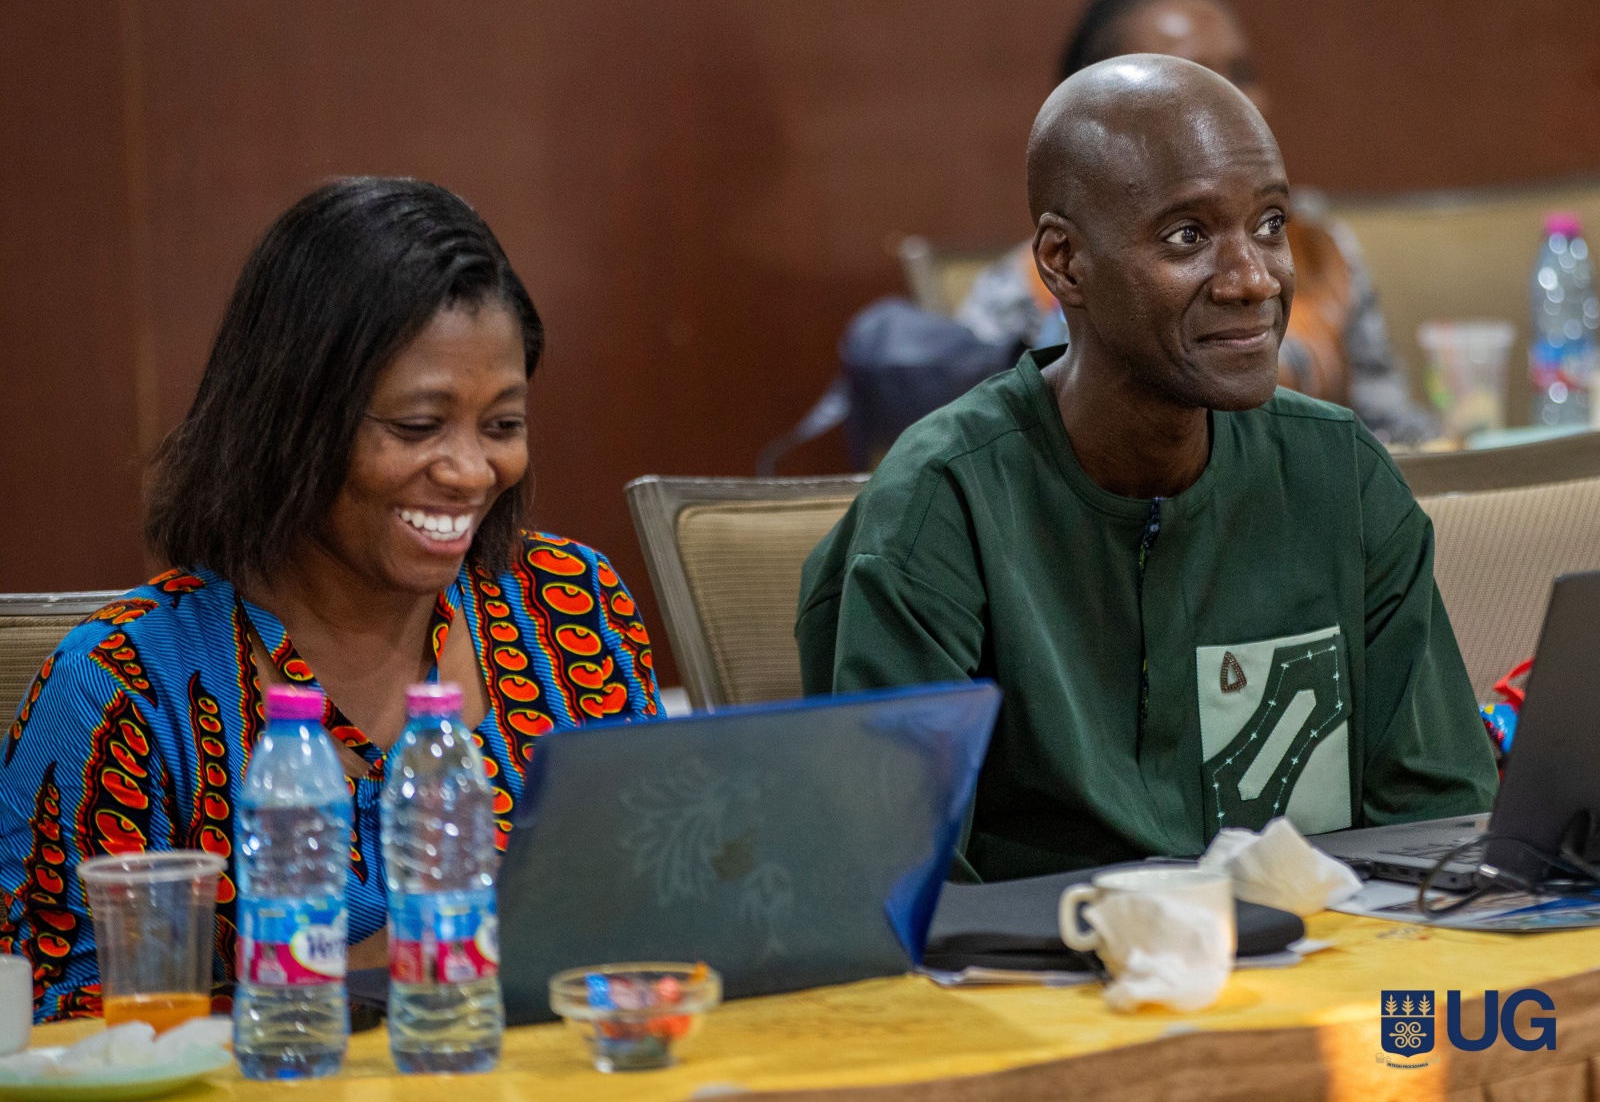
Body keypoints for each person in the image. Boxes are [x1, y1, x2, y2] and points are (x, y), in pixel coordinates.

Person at [799, 56, 1495, 881]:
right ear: (1063, 262)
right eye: (1187, 236)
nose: (1253, 279)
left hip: (1323, 977)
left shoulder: (1338, 476)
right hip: (1047, 987)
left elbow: (1443, 826)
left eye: (1269, 224)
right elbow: (901, 886)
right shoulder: (946, 506)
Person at [0, 178, 660, 1019]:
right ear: (292, 418)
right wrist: (353, 976)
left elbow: (660, 906)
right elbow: (52, 1022)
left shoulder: (571, 609)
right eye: (419, 427)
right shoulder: (124, 684)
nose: (469, 472)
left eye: (501, 426)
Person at [957, 0, 1437, 445]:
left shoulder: (1318, 251)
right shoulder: (1022, 295)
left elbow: (1390, 431)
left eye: (1241, 74)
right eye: (1189, 76)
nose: (1232, 102)